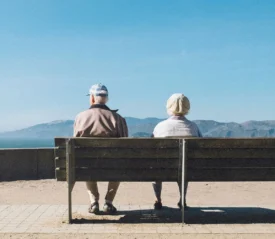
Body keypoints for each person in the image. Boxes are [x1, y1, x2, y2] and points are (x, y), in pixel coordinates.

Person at [74, 83, 128, 214]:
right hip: (112, 164)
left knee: (86, 163)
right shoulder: (118, 119)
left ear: (92, 98)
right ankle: (108, 202)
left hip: (89, 165)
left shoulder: (80, 117)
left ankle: (94, 202)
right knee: (117, 164)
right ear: (106, 99)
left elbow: (75, 144)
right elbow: (126, 144)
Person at [152, 93, 202, 210]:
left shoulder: (160, 127)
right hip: (187, 168)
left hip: (162, 168)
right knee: (184, 165)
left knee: (156, 168)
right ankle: (182, 199)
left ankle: (158, 200)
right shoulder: (193, 127)